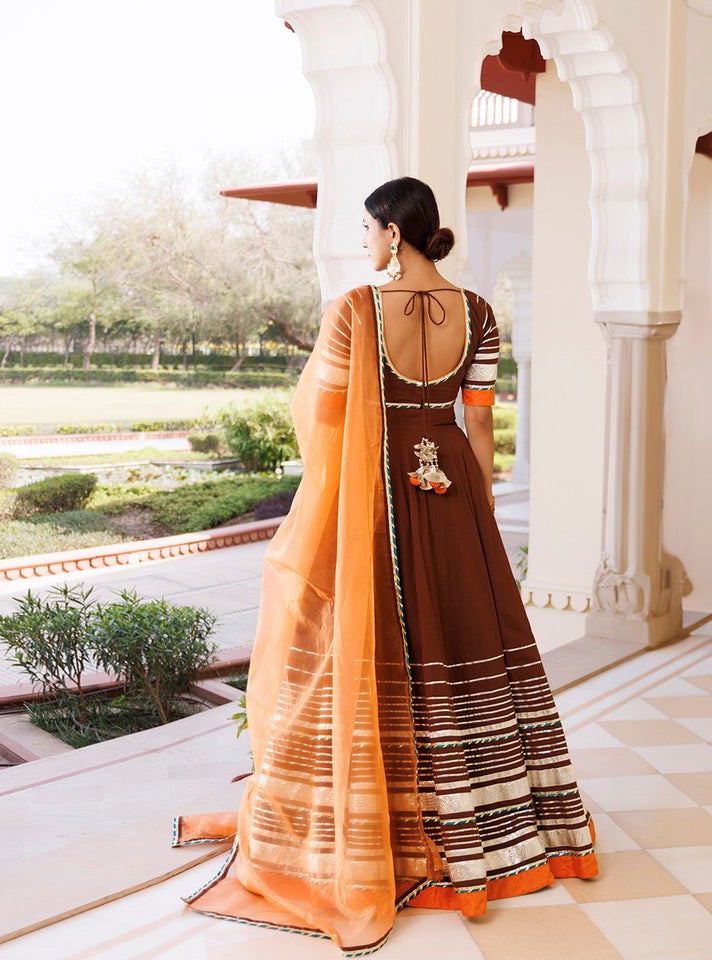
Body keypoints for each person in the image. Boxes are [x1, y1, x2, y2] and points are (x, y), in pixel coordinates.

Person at [173, 177, 598, 955]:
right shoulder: (478, 313)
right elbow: (478, 425)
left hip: (378, 497)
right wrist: (479, 511)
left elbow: (325, 422)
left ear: (394, 234)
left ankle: (380, 827)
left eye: (369, 231)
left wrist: (332, 511)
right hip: (457, 494)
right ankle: (491, 835)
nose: (365, 244)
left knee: (377, 649)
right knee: (467, 643)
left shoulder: (356, 312)